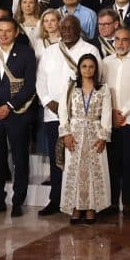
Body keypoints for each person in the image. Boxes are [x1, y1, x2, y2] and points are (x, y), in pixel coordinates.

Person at [36, 15, 101, 216]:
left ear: (79, 28)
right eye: (63, 27)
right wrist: (48, 101)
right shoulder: (49, 52)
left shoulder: (90, 50)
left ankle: (83, 203)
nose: (67, 31)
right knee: (58, 160)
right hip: (54, 114)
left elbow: (98, 80)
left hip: (81, 117)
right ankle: (56, 200)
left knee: (82, 160)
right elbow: (40, 81)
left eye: (72, 27)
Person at [0, 17, 38, 217]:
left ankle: (18, 201)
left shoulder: (25, 53)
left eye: (8, 31)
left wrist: (9, 106)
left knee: (19, 158)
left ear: (16, 33)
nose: (3, 34)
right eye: (0, 30)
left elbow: (30, 86)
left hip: (17, 115)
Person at [59, 54, 112, 224]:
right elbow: (63, 111)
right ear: (79, 69)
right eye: (84, 66)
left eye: (91, 66)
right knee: (73, 171)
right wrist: (66, 134)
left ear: (96, 69)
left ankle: (90, 208)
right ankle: (75, 208)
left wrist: (103, 136)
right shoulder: (70, 87)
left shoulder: (103, 89)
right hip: (74, 133)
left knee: (92, 171)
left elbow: (107, 114)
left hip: (95, 133)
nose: (87, 70)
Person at [100, 27, 130, 217]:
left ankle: (127, 204)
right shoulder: (105, 62)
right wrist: (111, 113)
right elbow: (101, 90)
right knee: (111, 163)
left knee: (128, 163)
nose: (120, 43)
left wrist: (123, 112)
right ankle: (111, 203)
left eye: (125, 40)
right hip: (109, 120)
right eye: (117, 39)